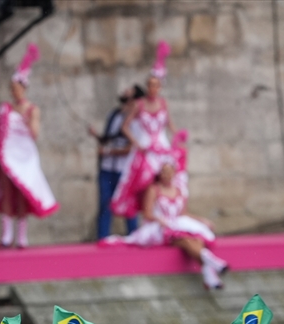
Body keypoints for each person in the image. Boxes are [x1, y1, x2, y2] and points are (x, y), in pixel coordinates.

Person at [0, 43, 57, 247]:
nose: (14, 92)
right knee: (7, 193)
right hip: (7, 156)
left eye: (17, 88)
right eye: (12, 89)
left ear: (24, 87)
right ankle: (6, 236)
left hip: (25, 157)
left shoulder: (32, 110)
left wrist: (28, 120)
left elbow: (34, 133)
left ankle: (21, 237)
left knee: (22, 195)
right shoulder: (4, 109)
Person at [103, 161, 227, 290]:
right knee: (183, 239)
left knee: (195, 239)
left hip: (178, 223)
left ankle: (209, 272)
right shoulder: (153, 189)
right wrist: (160, 219)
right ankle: (212, 263)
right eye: (163, 171)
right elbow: (147, 213)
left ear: (174, 173)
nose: (166, 175)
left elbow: (184, 213)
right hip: (160, 226)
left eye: (168, 171)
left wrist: (202, 220)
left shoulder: (179, 190)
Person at [108, 41, 186, 224]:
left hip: (162, 148)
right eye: (150, 84)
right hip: (145, 149)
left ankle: (164, 218)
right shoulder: (139, 105)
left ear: (160, 87)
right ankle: (146, 218)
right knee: (144, 182)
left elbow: (170, 125)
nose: (152, 88)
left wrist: (178, 137)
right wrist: (137, 143)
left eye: (156, 85)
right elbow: (124, 127)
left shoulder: (164, 104)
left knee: (168, 180)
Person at [91, 86, 141, 239]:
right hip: (107, 168)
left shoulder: (137, 121)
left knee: (128, 205)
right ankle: (103, 238)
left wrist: (107, 152)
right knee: (105, 204)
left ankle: (134, 237)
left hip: (124, 169)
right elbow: (108, 139)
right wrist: (96, 136)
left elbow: (131, 148)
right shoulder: (114, 114)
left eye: (129, 93)